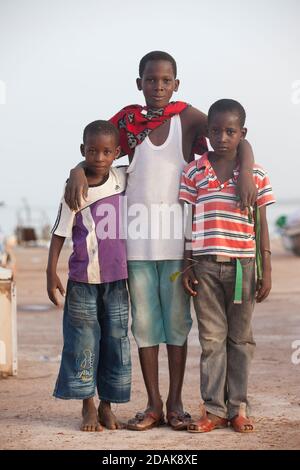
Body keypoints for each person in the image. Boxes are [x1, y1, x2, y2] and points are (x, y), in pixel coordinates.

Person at [64, 51, 257, 431]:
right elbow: (95, 149)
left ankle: (175, 404)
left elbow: (233, 136)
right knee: (145, 327)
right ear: (139, 83)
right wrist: (74, 170)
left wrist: (247, 170)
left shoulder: (187, 118)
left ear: (176, 84)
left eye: (165, 80)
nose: (158, 87)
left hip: (179, 249)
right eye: (150, 80)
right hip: (135, 248)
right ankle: (152, 404)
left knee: (177, 325)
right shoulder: (127, 122)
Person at [179, 99, 275, 433]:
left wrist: (267, 271)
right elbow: (187, 223)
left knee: (240, 339)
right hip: (204, 267)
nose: (222, 136)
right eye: (216, 130)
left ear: (242, 134)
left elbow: (261, 226)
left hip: (243, 269)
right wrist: (187, 265)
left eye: (230, 131)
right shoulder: (193, 172)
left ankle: (238, 408)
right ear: (206, 132)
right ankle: (214, 410)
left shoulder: (256, 174)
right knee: (211, 340)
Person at [47, 120, 131, 432]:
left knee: (115, 341)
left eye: (107, 152)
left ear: (116, 153)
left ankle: (108, 405)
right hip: (82, 280)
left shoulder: (122, 177)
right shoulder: (75, 189)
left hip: (118, 280)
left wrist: (76, 168)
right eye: (92, 151)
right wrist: (50, 271)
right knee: (83, 342)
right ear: (83, 151)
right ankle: (88, 406)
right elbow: (59, 233)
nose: (99, 157)